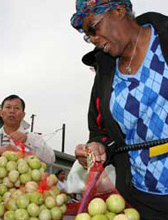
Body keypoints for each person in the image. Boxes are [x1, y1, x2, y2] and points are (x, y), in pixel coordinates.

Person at [71, 0, 168, 218]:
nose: (93, 40)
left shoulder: (163, 39)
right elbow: (100, 131)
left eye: (94, 28)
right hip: (140, 201)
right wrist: (96, 147)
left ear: (119, 10)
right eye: (88, 36)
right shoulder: (105, 72)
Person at [0, 95, 55, 164]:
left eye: (17, 108)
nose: (12, 111)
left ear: (23, 115)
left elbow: (51, 159)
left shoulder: (34, 138)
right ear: (1, 113)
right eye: (8, 107)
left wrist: (27, 140)